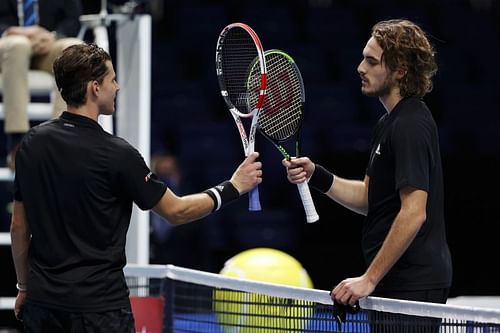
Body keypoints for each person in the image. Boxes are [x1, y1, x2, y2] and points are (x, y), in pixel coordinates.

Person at [10, 42, 262, 331]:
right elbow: (176, 212)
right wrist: (233, 187)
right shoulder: (118, 154)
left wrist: (24, 286)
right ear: (95, 88)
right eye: (112, 79)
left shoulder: (31, 144)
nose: (117, 87)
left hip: (43, 307)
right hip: (100, 313)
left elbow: (18, 226)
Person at [283, 19, 452, 308]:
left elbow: (414, 213)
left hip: (412, 284)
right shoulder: (388, 123)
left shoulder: (410, 125)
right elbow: (368, 198)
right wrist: (317, 176)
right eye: (363, 58)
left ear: (400, 70)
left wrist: (369, 279)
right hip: (394, 280)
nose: (360, 68)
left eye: (371, 61)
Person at [0, 0, 82, 169]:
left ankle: (59, 141)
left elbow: (72, 19)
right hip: (8, 46)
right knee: (18, 45)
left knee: (72, 48)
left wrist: (52, 36)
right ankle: (18, 144)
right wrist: (11, 31)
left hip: (46, 44)